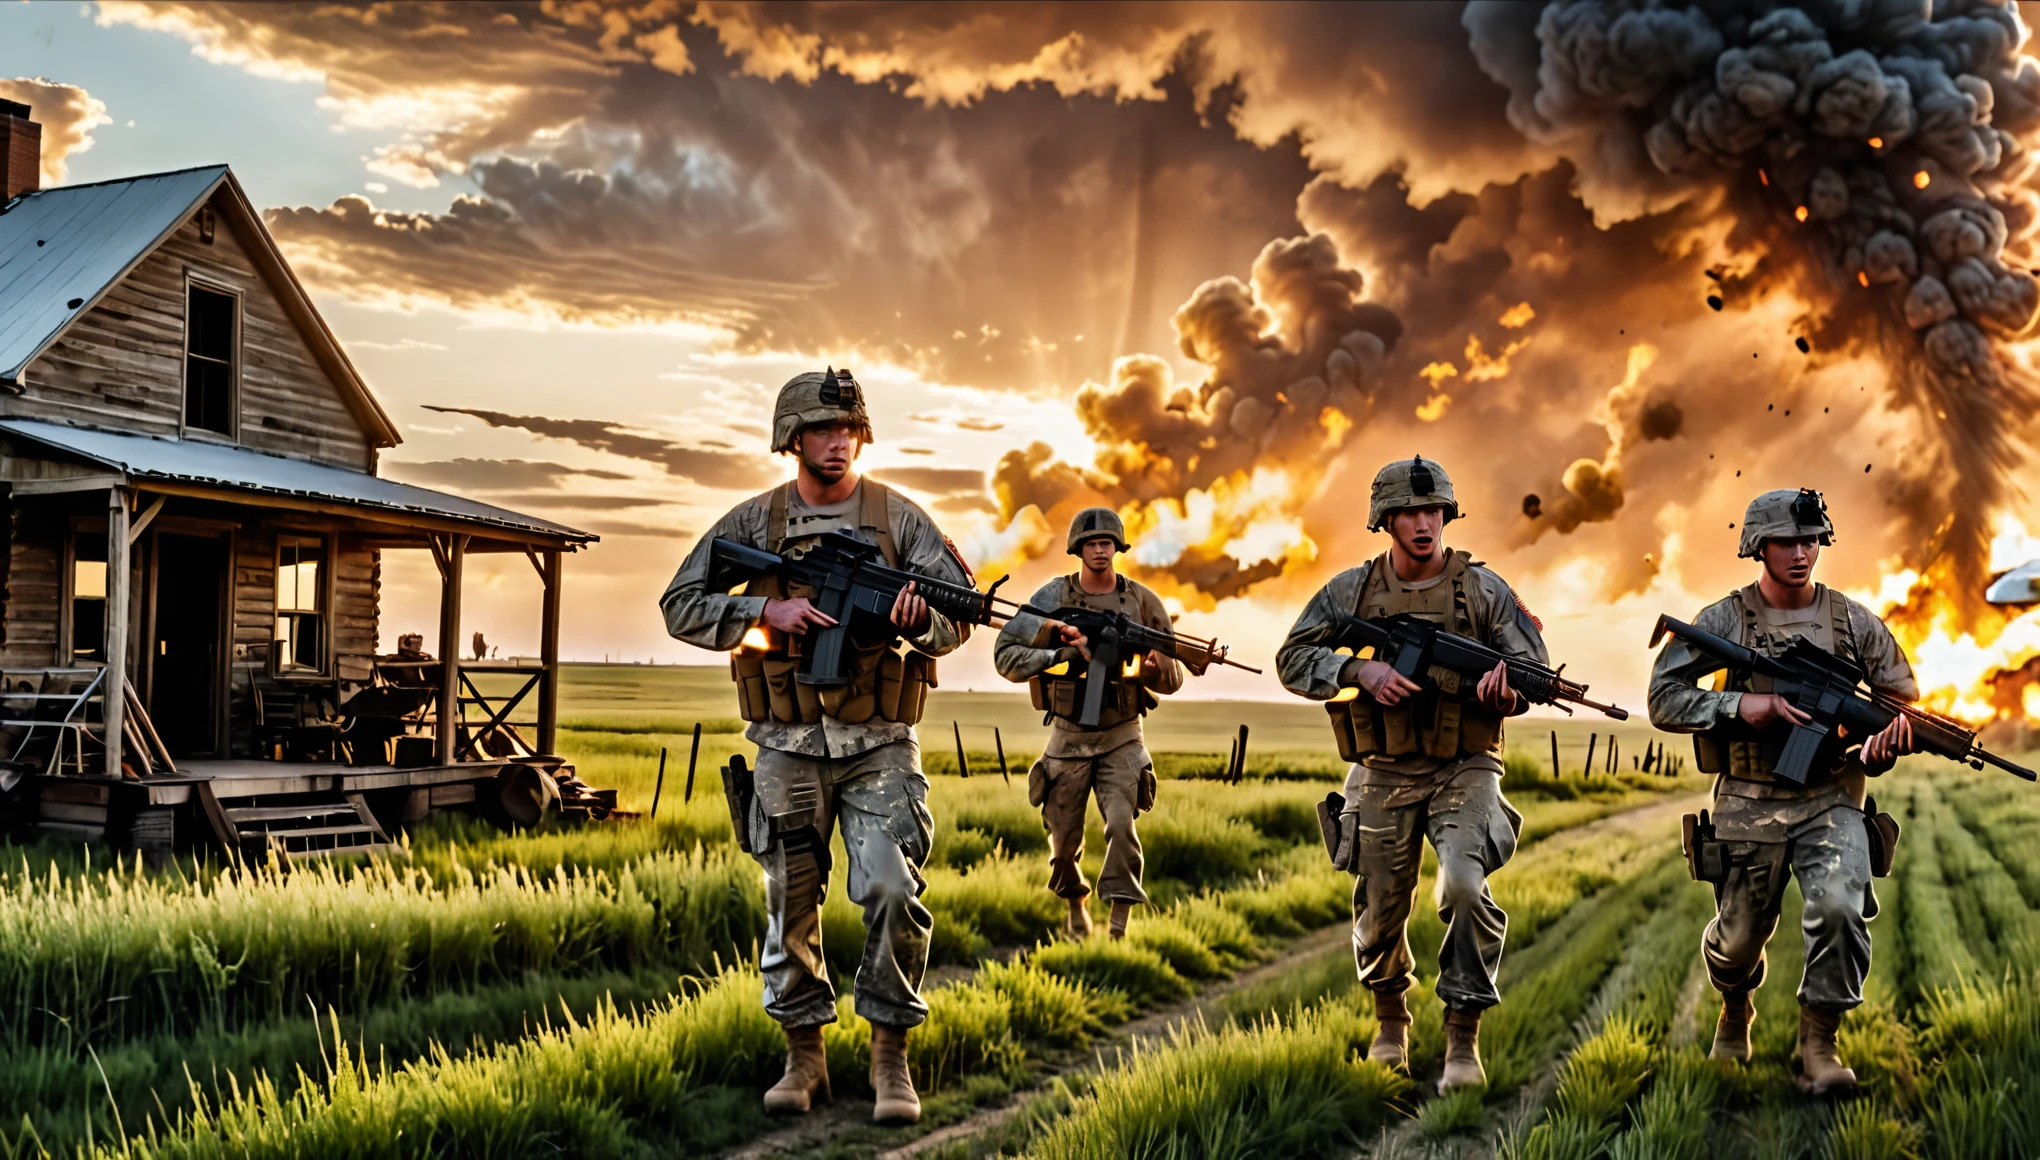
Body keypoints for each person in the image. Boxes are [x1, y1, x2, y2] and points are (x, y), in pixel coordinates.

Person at [659, 367, 977, 1124]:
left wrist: (914, 619)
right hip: (787, 744)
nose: (837, 443)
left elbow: (959, 613)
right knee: (787, 901)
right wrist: (771, 608)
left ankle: (889, 1059)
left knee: (893, 890)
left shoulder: (899, 520)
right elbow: (680, 604)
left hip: (878, 743)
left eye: (848, 431)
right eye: (822, 431)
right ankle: (804, 1057)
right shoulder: (752, 524)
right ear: (792, 438)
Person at [1275, 456, 1544, 1092]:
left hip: (1464, 766)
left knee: (1463, 887)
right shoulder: (1352, 591)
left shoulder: (1484, 590)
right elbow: (1291, 657)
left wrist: (1511, 695)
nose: (1424, 524)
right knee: (1378, 908)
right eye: (1410, 513)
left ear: (1446, 515)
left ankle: (1461, 1037)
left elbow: (1531, 668)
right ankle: (1391, 1019)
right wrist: (1356, 671)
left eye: (1434, 512)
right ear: (1386, 520)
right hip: (1382, 766)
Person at [1648, 487, 1918, 1094]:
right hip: (1748, 798)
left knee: (1843, 909)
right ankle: (1735, 1003)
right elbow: (1663, 698)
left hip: (1830, 796)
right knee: (1738, 940)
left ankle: (1819, 1046)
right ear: (1757, 547)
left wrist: (1878, 742)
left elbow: (1900, 697)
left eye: (1810, 541)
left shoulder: (1850, 620)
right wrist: (1745, 703)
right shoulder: (1726, 618)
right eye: (1786, 542)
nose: (1801, 553)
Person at [993, 507, 1217, 941]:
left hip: (1122, 735)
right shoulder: (1051, 598)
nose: (1100, 549)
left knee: (1120, 825)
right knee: (1062, 841)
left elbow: (1173, 677)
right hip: (1068, 738)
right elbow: (1006, 656)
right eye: (1092, 543)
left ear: (1118, 548)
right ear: (1078, 548)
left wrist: (1153, 669)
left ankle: (1118, 926)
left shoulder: (1141, 602)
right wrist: (1061, 655)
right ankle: (1076, 904)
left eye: (1107, 542)